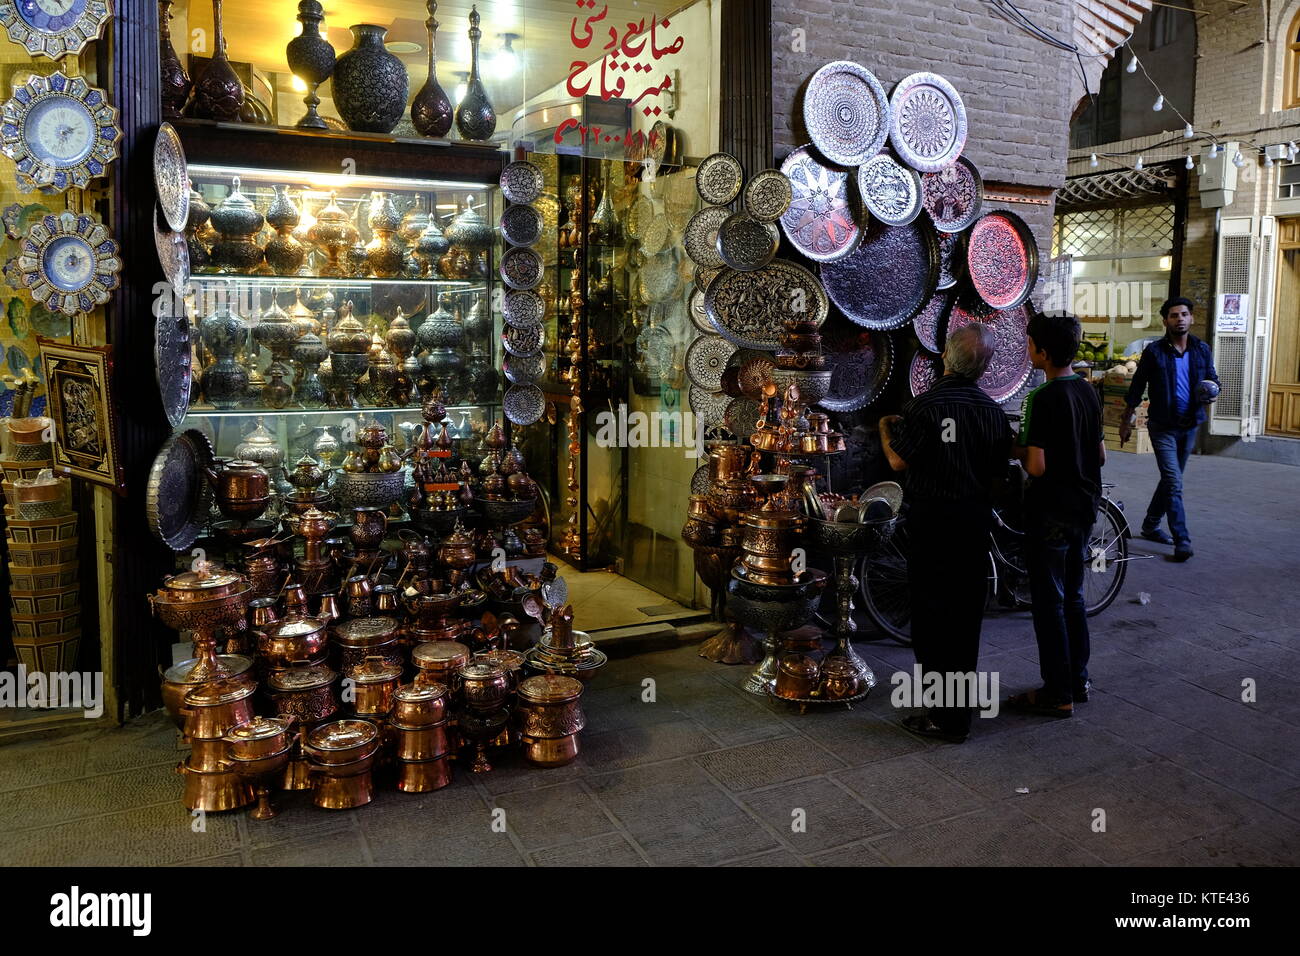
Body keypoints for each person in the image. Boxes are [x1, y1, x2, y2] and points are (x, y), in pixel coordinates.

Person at [879, 324, 1014, 743]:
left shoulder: (926, 407)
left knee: (934, 619)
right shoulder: (993, 412)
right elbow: (999, 477)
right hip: (973, 524)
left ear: (945, 358)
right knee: (964, 619)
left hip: (933, 525)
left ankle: (946, 718)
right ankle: (956, 703)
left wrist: (886, 429)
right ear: (986, 367)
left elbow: (899, 463)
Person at [1008, 311, 1104, 719]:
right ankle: (1078, 678)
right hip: (1084, 506)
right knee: (1075, 596)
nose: (1027, 349)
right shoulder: (1087, 391)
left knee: (1049, 602)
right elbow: (1099, 454)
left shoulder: (1040, 398)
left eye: (1030, 344)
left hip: (1050, 513)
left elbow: (1036, 467)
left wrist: (1011, 447)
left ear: (1043, 353)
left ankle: (1057, 691)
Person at [1121, 296, 1220, 561]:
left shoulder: (1201, 349)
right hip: (1162, 426)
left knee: (1170, 480)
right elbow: (1137, 386)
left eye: (1184, 314)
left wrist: (1213, 392)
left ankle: (1151, 525)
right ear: (1165, 321)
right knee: (1174, 482)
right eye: (1174, 315)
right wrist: (1126, 421)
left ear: (1192, 318)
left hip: (1189, 425)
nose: (1180, 319)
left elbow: (1213, 379)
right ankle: (1182, 540)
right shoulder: (1154, 352)